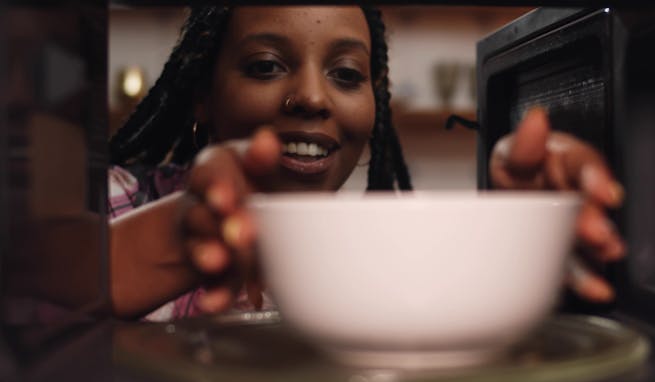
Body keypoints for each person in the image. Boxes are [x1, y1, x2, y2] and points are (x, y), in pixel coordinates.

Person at [107, 5, 625, 320]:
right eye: (266, 66)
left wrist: (525, 236)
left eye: (347, 74)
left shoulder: (388, 255)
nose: (312, 97)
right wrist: (185, 235)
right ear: (203, 96)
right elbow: (47, 292)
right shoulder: (116, 194)